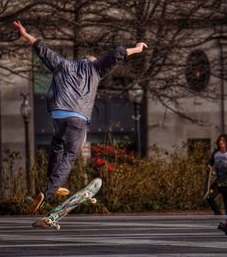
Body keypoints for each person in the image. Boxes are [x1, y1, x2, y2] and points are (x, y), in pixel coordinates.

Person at [13, 21, 148, 214]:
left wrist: (25, 34)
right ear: (91, 62)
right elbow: (116, 53)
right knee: (70, 155)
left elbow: (41, 49)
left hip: (58, 115)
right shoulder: (95, 68)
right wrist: (137, 48)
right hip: (77, 118)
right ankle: (48, 192)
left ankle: (55, 181)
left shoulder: (63, 64)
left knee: (57, 145)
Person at [206, 134, 227, 215]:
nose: (220, 142)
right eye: (219, 140)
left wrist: (222, 180)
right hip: (218, 182)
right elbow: (211, 162)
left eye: (223, 140)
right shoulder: (216, 153)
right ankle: (218, 214)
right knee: (209, 197)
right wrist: (208, 165)